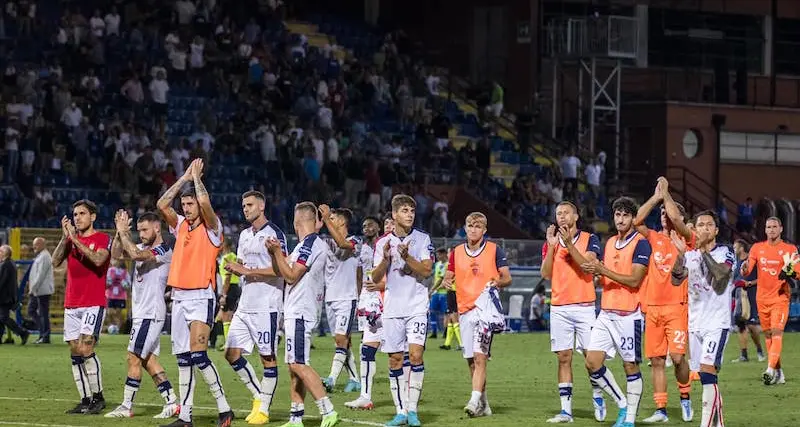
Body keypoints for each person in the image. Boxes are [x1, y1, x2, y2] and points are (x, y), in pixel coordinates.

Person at [156, 158, 234, 427]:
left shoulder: (213, 229)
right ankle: (185, 417)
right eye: (185, 205)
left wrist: (197, 179)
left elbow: (207, 206)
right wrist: (184, 178)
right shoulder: (179, 227)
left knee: (199, 355)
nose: (187, 208)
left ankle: (224, 409)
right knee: (183, 359)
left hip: (201, 295)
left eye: (191, 204)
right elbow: (161, 205)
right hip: (179, 296)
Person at [266, 201, 339, 427]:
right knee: (293, 366)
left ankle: (328, 411)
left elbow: (290, 275)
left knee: (298, 363)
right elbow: (282, 269)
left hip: (300, 311)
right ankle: (296, 418)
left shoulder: (309, 245)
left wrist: (277, 251)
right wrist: (273, 254)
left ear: (297, 222)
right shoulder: (303, 246)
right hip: (297, 310)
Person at [581, 197, 650, 427]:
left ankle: (629, 420)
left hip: (628, 314)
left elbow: (634, 280)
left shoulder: (641, 243)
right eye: (617, 215)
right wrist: (599, 276)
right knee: (591, 362)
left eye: (625, 215)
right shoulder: (610, 242)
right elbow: (609, 275)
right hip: (606, 312)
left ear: (633, 218)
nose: (620, 219)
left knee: (630, 365)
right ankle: (622, 402)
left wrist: (603, 271)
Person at [104, 210, 180, 419]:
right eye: (139, 230)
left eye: (145, 229)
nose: (142, 234)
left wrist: (124, 233)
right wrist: (120, 233)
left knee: (133, 357)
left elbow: (136, 256)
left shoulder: (164, 250)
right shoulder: (141, 246)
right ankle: (172, 402)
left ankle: (126, 406)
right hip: (142, 313)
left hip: (150, 313)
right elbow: (116, 255)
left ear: (157, 227)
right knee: (148, 361)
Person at [222, 190, 287, 425]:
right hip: (245, 305)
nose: (245, 209)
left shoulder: (275, 234)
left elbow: (282, 270)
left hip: (266, 306)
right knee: (231, 354)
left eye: (249, 205)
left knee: (267, 359)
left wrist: (249, 272)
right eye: (243, 205)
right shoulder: (244, 235)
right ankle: (260, 396)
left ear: (262, 206)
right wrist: (234, 268)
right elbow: (241, 264)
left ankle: (264, 409)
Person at [632, 179, 693, 423]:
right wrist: (656, 199)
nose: (664, 216)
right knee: (656, 360)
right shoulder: (654, 237)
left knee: (678, 358)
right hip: (654, 308)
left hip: (677, 307)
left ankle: (686, 397)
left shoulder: (688, 239)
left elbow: (678, 220)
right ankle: (661, 410)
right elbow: (636, 221)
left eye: (667, 212)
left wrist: (667, 195)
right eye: (662, 214)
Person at [371, 194, 434, 427]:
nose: (409, 215)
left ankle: (413, 410)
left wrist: (407, 257)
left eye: (412, 211)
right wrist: (386, 260)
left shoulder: (422, 239)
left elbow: (426, 271)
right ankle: (400, 411)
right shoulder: (382, 243)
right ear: (394, 214)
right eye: (405, 211)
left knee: (415, 355)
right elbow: (375, 277)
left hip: (416, 306)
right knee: (395, 360)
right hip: (392, 308)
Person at [540, 201, 606, 423]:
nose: (561, 216)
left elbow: (587, 266)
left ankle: (597, 395)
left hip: (584, 306)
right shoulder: (551, 242)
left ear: (576, 216)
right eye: (558, 213)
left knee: (591, 358)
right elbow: (546, 273)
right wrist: (551, 247)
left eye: (566, 212)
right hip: (559, 306)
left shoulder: (590, 239)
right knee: (563, 358)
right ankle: (566, 411)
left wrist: (568, 244)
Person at [442, 212, 512, 417]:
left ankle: (473, 401)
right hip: (464, 309)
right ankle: (484, 403)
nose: (473, 229)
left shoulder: (494, 250)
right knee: (471, 360)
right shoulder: (456, 252)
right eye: (470, 226)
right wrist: (447, 281)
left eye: (478, 226)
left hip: (485, 310)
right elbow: (449, 274)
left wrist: (498, 282)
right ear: (465, 228)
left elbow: (507, 277)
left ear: (484, 230)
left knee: (481, 357)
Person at [670, 210, 734, 425]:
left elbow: (720, 276)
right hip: (695, 323)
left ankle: (705, 424)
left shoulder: (726, 252)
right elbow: (676, 280)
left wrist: (703, 250)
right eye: (700, 225)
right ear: (694, 230)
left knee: (708, 372)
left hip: (717, 322)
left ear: (716, 230)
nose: (705, 228)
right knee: (707, 379)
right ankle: (719, 423)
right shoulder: (690, 255)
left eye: (709, 225)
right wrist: (681, 256)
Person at [51, 199, 111, 414]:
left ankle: (99, 397)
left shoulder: (103, 238)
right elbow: (55, 261)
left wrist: (74, 240)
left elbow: (97, 260)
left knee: (86, 348)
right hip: (71, 303)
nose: (77, 218)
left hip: (92, 303)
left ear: (93, 216)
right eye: (75, 214)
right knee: (75, 352)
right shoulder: (70, 240)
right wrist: (64, 238)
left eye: (82, 214)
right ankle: (85, 400)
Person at [741, 216, 798, 385]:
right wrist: (744, 268)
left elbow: (798, 271)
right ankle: (779, 372)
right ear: (765, 230)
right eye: (768, 227)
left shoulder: (789, 249)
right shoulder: (757, 248)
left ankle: (770, 369)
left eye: (774, 226)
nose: (771, 230)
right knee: (768, 336)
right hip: (762, 299)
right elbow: (748, 269)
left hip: (780, 297)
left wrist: (791, 273)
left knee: (776, 333)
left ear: (781, 229)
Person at [319, 205, 361, 393]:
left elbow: (343, 245)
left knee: (340, 338)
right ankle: (354, 379)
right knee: (343, 342)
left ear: (342, 221)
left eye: (333, 218)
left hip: (347, 298)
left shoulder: (355, 241)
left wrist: (326, 219)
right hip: (331, 298)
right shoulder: (326, 242)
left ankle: (331, 379)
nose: (330, 219)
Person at [346, 216, 383, 410]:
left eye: (370, 224)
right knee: (365, 346)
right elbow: (359, 275)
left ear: (379, 226)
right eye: (363, 225)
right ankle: (365, 395)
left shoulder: (385, 244)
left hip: (386, 298)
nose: (366, 227)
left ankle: (407, 399)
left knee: (399, 352)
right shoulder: (362, 248)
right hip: (367, 299)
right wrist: (360, 296)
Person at [731, 239, 765, 363]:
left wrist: (749, 283)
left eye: (735, 247)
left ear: (741, 248)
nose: (734, 250)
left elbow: (762, 278)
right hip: (740, 295)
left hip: (751, 293)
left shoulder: (752, 261)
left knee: (751, 325)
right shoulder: (736, 263)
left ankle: (760, 351)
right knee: (740, 324)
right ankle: (744, 355)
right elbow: (734, 280)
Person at [214, 239, 241, 351]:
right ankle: (226, 341)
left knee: (226, 317)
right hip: (235, 288)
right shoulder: (234, 256)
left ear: (226, 245)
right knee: (221, 317)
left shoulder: (227, 258)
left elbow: (228, 277)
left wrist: (224, 294)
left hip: (229, 288)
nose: (220, 245)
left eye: (222, 244)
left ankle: (228, 343)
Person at [0, 245, 29, 344]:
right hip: (7, 296)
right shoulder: (9, 263)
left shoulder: (6, 264)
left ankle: (22, 332)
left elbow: (2, 282)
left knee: (4, 318)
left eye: (0, 251)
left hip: (5, 297)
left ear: (5, 253)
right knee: (1, 317)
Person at [28, 236, 54, 344]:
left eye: (36, 244)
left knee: (41, 313)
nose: (34, 246)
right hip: (38, 289)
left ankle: (45, 335)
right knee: (34, 311)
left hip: (41, 290)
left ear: (42, 244)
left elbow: (40, 275)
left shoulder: (44, 256)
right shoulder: (41, 256)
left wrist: (33, 288)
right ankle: (43, 333)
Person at [439, 247, 462, 351]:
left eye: (449, 252)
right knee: (450, 317)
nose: (448, 254)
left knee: (453, 316)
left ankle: (461, 343)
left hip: (453, 291)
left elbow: (447, 278)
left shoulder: (453, 265)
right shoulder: (459, 263)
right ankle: (447, 343)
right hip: (453, 291)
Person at [427, 248, 449, 339]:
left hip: (445, 292)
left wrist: (432, 289)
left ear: (444, 254)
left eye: (439, 255)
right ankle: (434, 331)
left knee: (446, 313)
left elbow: (441, 279)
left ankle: (446, 332)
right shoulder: (437, 264)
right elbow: (436, 278)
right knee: (432, 311)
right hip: (436, 292)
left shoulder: (448, 265)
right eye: (437, 255)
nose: (437, 256)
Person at [105, 259, 130, 333]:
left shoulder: (125, 272)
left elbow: (128, 286)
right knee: (110, 313)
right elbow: (106, 283)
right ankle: (112, 327)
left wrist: (124, 284)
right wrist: (108, 282)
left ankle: (116, 329)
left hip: (121, 296)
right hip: (110, 295)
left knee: (118, 314)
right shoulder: (110, 270)